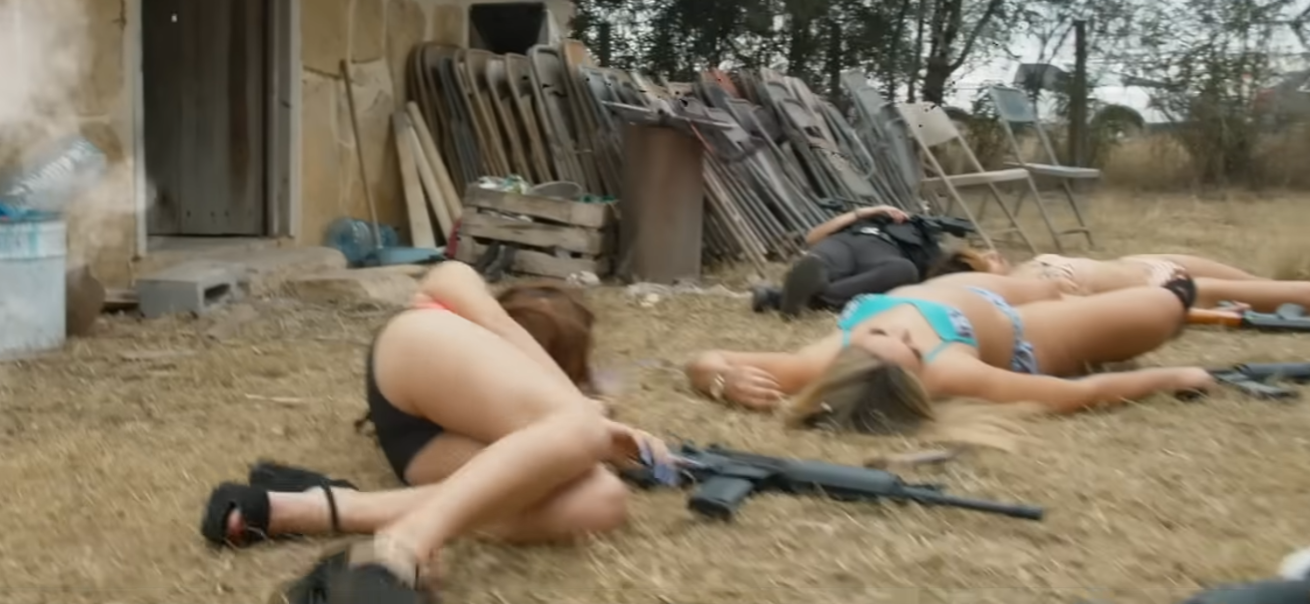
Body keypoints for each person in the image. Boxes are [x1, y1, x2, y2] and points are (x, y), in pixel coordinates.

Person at [198, 261, 671, 604]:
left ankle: (309, 508)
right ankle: (401, 547)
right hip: (410, 354)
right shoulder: (459, 286)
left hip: (422, 447)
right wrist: (585, 413)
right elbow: (492, 320)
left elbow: (548, 451)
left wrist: (586, 422)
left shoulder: (524, 403)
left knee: (602, 498)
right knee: (582, 430)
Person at [688, 269, 1218, 435]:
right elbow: (1076, 394)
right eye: (911, 351)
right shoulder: (951, 371)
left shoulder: (816, 364)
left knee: (1052, 277)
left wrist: (720, 380)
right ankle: (1150, 288)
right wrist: (1169, 378)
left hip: (970, 289)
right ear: (922, 378)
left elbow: (702, 357)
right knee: (1167, 303)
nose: (904, 335)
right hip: (1020, 334)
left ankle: (1060, 282)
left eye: (882, 336)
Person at [929, 248, 1310, 312]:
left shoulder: (1027, 269)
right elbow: (1082, 308)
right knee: (1283, 296)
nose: (993, 253)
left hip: (1151, 262)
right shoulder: (1029, 291)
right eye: (984, 260)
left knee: (1264, 285)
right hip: (1161, 289)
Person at [752, 203, 967, 317]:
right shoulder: (869, 218)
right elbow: (812, 238)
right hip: (845, 242)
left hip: (885, 256)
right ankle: (790, 293)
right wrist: (868, 212)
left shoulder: (927, 240)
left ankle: (785, 297)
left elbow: (940, 274)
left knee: (903, 270)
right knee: (817, 261)